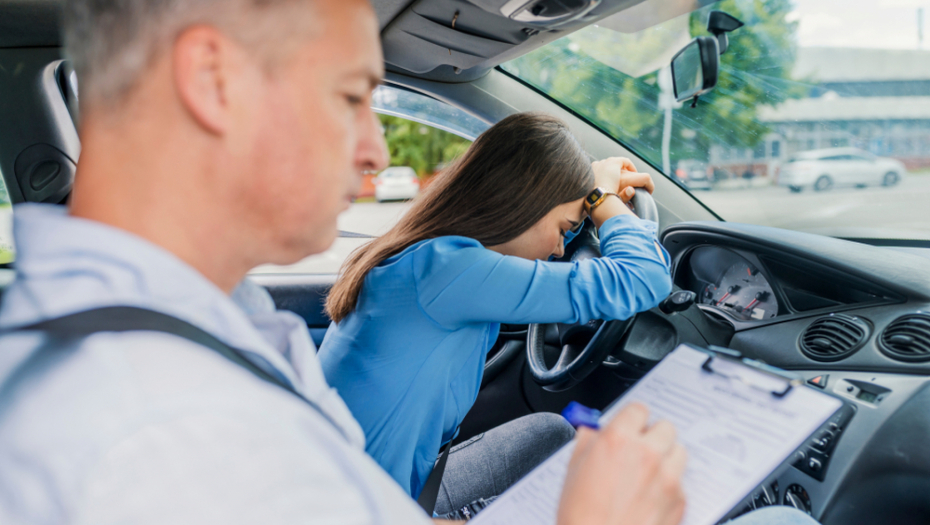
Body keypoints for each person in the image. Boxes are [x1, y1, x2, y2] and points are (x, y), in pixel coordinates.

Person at [0, 0, 819, 524]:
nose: (375, 151)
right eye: (353, 96)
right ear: (213, 80)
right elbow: (626, 284)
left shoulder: (201, 331)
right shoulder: (164, 426)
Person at [319, 111, 672, 515]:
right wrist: (601, 200)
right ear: (523, 205)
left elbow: (550, 248)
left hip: (396, 487)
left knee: (550, 433)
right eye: (562, 228)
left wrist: (579, 207)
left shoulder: (431, 258)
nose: (560, 248)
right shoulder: (452, 272)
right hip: (365, 510)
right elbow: (643, 278)